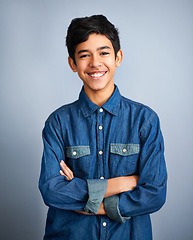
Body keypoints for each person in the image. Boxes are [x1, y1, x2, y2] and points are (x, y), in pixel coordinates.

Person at [39, 15, 167, 240]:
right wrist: (124, 183)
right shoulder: (57, 123)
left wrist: (88, 199)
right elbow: (51, 190)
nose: (95, 63)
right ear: (72, 63)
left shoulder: (145, 120)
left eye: (104, 53)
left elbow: (154, 194)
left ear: (118, 57)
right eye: (84, 55)